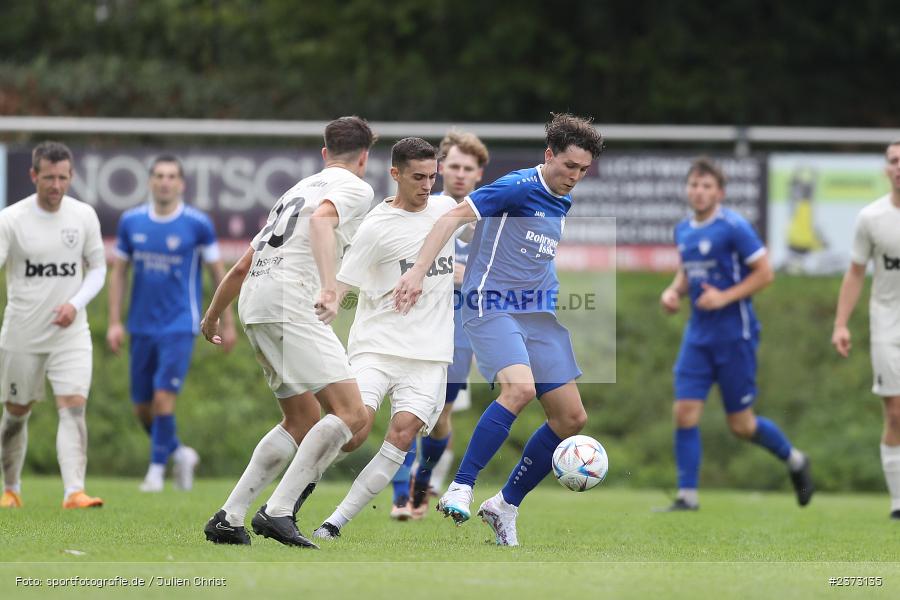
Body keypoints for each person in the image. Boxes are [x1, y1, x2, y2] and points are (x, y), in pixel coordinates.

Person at [393, 113, 604, 546]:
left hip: (537, 316)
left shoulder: (562, 198)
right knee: (519, 389)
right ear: (549, 155)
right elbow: (451, 219)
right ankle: (461, 485)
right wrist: (416, 273)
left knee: (571, 418)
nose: (575, 177)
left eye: (583, 170)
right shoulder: (517, 186)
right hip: (491, 307)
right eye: (569, 166)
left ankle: (504, 506)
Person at [201, 116, 375, 547]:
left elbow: (245, 262)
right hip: (290, 302)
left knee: (302, 418)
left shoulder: (295, 190)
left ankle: (229, 516)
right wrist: (330, 288)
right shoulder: (355, 188)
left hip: (255, 302)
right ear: (365, 158)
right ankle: (278, 512)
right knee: (353, 415)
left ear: (324, 153)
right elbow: (321, 223)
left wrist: (212, 314)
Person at [311, 137, 464, 540]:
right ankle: (291, 496)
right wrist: (327, 303)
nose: (427, 185)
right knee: (352, 427)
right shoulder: (376, 226)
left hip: (429, 356)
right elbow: (343, 281)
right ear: (395, 174)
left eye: (433, 176)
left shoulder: (447, 209)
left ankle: (333, 524)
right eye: (418, 176)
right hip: (376, 347)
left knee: (402, 433)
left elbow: (494, 214)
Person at [657, 157, 813, 512]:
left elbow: (765, 273)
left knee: (741, 426)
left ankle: (795, 460)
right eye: (694, 184)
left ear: (720, 192)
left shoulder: (734, 227)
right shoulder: (683, 230)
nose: (699, 192)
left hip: (735, 336)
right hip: (697, 336)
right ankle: (687, 497)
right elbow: (687, 272)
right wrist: (673, 292)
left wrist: (724, 297)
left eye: (707, 186)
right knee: (684, 412)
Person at [107, 155, 237, 493]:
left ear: (181, 183)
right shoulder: (130, 221)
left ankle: (155, 471)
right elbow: (119, 272)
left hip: (180, 324)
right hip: (140, 326)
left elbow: (218, 273)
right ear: (150, 181)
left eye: (172, 176)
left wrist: (227, 321)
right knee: (143, 408)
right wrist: (114, 322)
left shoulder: (197, 224)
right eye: (159, 176)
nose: (165, 182)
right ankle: (180, 453)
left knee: (164, 399)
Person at [0, 142, 106, 510]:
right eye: (48, 178)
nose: (56, 185)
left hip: (70, 332)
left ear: (71, 176)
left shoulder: (83, 216)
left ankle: (74, 492)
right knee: (16, 412)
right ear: (33, 176)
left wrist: (75, 305)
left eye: (63, 178)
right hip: (23, 333)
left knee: (74, 406)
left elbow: (98, 268)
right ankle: (11, 489)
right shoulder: (11, 219)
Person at [390, 130, 489, 520]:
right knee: (405, 410)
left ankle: (422, 482)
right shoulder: (422, 209)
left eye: (469, 168)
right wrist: (439, 274)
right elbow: (401, 261)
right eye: (454, 166)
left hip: (460, 330)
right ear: (441, 167)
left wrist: (475, 277)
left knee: (439, 417)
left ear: (479, 173)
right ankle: (403, 495)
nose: (460, 174)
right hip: (415, 323)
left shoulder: (487, 216)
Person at [832, 139, 900, 520]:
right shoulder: (871, 218)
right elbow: (856, 273)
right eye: (893, 160)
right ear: (886, 169)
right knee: (894, 414)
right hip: (888, 324)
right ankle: (898, 503)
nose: (899, 166)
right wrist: (841, 324)